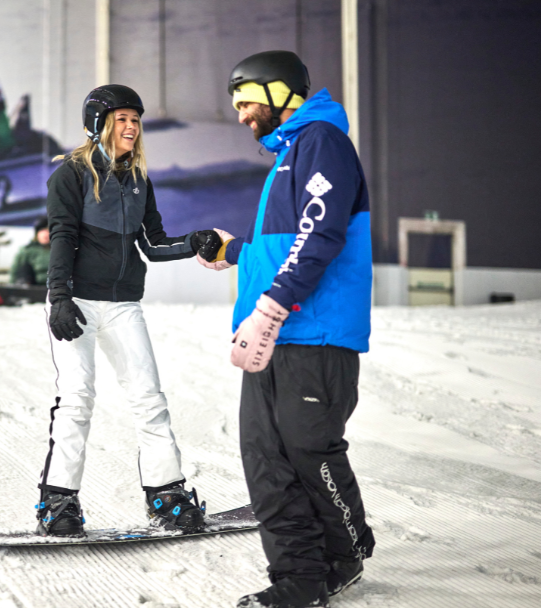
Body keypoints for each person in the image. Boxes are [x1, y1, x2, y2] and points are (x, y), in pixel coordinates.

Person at [196, 51, 375, 608]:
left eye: (248, 101)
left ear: (280, 92)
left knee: (307, 449)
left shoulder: (321, 140)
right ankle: (298, 579)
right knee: (265, 460)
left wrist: (271, 307)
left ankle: (344, 552)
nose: (243, 114)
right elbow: (285, 246)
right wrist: (235, 252)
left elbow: (319, 235)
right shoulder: (292, 154)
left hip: (313, 334)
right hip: (274, 334)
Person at [35, 84, 223, 537]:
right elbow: (61, 236)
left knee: (149, 398)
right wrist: (58, 296)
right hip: (77, 300)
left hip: (122, 305)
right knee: (77, 399)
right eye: (121, 118)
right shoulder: (72, 175)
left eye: (135, 119)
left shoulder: (139, 181)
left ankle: (166, 496)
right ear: (98, 124)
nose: (131, 126)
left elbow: (154, 246)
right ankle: (57, 503)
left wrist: (192, 242)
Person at [9, 216, 50, 285]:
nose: (45, 234)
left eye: (48, 230)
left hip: (54, 287)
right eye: (42, 230)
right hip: (33, 288)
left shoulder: (60, 251)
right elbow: (15, 273)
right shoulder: (27, 251)